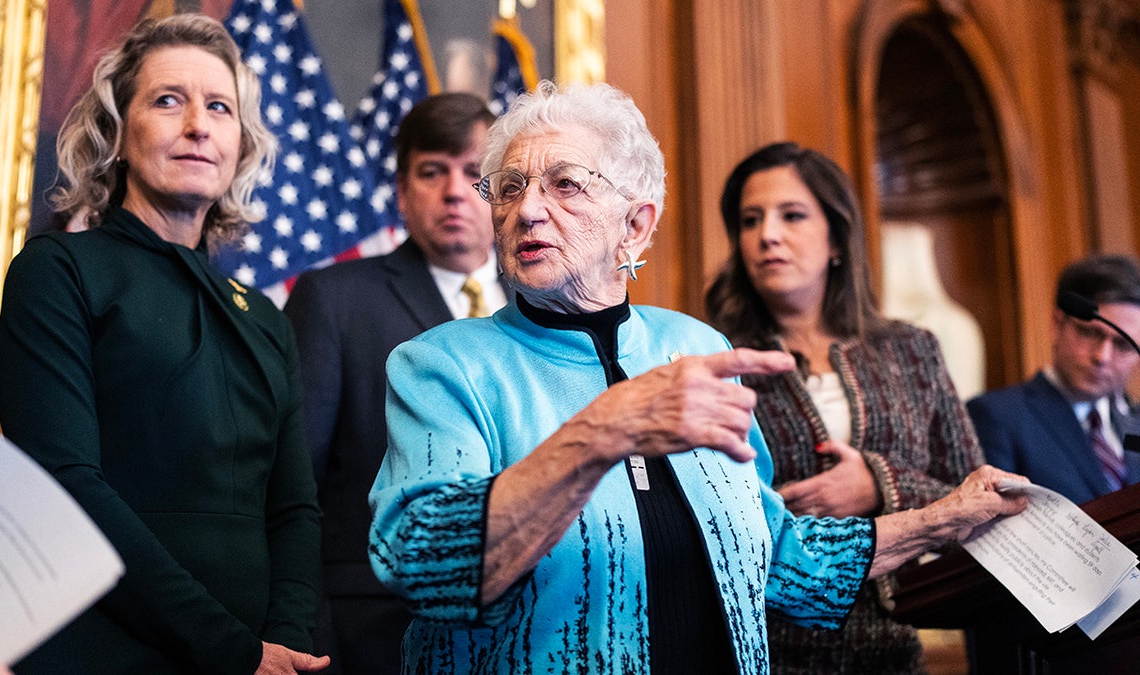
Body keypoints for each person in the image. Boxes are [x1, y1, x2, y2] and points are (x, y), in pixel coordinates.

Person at [367, 80, 1026, 673]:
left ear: (635, 225)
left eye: (564, 183)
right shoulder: (441, 364)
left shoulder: (694, 345)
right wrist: (605, 429)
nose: (527, 210)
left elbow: (779, 563)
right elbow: (427, 566)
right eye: (509, 187)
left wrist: (944, 519)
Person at [0, 14, 328, 674]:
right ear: (117, 133)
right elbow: (66, 485)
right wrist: (233, 650)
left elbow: (293, 508)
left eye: (220, 107)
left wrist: (282, 641)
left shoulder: (264, 317)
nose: (199, 125)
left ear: (240, 144)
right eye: (168, 100)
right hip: (101, 652)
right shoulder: (57, 269)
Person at [703, 142, 985, 674]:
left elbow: (972, 498)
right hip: (763, 650)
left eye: (792, 215)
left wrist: (880, 485)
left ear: (835, 237)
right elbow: (700, 519)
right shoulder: (714, 356)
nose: (767, 235)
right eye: (749, 220)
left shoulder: (912, 349)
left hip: (898, 649)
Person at [282, 92, 505, 675]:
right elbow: (291, 483)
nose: (455, 191)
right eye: (432, 172)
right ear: (403, 193)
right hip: (375, 635)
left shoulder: (547, 307)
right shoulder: (334, 301)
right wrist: (313, 638)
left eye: (474, 172)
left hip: (527, 632)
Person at [967, 254, 1140, 504]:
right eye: (1089, 333)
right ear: (1057, 325)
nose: (1102, 356)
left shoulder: (1135, 421)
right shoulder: (996, 416)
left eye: (1123, 344)